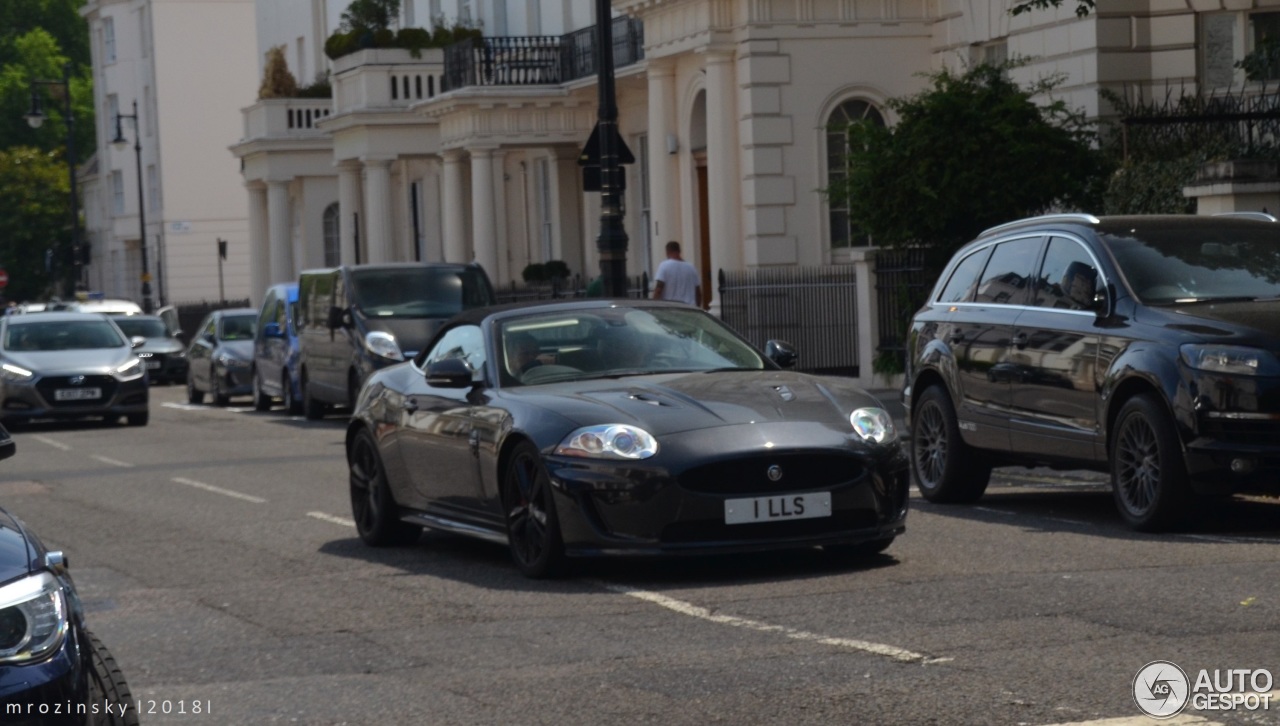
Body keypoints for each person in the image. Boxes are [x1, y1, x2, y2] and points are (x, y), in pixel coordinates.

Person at [652, 241, 702, 308]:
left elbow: (658, 290)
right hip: (689, 308)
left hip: (671, 307)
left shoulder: (664, 266)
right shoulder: (691, 268)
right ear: (679, 251)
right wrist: (697, 307)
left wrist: (654, 306)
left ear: (667, 252)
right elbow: (698, 292)